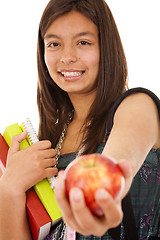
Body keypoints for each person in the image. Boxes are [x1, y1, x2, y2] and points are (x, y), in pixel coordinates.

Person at [0, 0, 159, 239]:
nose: (67, 57)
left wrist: (101, 189)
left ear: (106, 48)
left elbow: (117, 162)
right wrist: (10, 187)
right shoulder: (48, 140)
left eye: (83, 42)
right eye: (54, 44)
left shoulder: (136, 105)